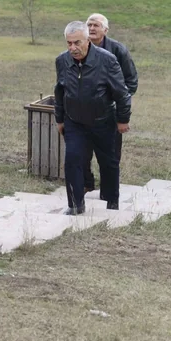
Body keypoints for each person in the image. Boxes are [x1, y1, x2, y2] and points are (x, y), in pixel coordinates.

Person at [55, 21, 131, 214]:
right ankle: (75, 205)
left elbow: (121, 93)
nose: (73, 48)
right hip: (75, 121)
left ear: (88, 40)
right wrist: (60, 118)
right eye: (69, 43)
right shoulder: (62, 61)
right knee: (72, 159)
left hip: (103, 120)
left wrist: (123, 120)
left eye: (77, 42)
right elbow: (60, 91)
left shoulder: (107, 60)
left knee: (108, 163)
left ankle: (112, 202)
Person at [84, 12, 138, 193]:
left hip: (110, 112)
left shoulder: (118, 50)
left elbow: (131, 81)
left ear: (105, 30)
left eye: (96, 25)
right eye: (89, 25)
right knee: (82, 152)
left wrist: (120, 104)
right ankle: (86, 184)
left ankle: (108, 192)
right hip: (83, 111)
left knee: (110, 154)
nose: (91, 28)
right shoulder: (80, 47)